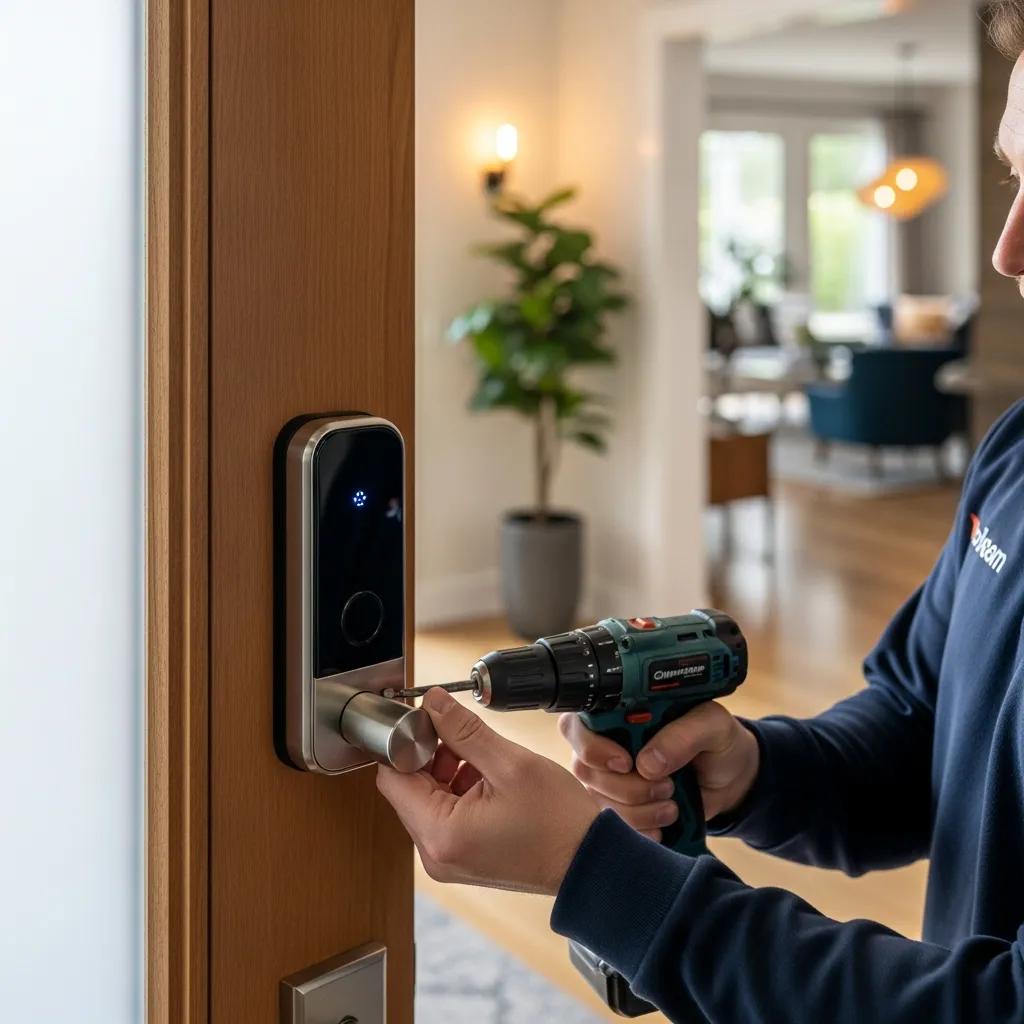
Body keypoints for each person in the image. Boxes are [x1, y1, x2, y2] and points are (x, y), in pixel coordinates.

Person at [378, 5, 1024, 1019]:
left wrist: (597, 876)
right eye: (1014, 177)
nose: (1006, 252)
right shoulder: (1016, 456)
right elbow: (917, 723)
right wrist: (753, 772)